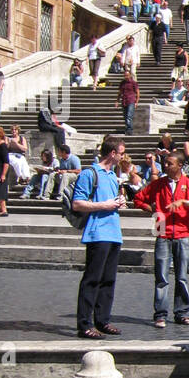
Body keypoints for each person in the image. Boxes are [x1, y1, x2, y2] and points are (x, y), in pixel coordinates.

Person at [133, 153, 189, 328]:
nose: (165, 166)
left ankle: (181, 312)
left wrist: (184, 202)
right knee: (161, 277)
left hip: (182, 234)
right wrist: (148, 208)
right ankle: (160, 314)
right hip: (162, 232)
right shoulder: (158, 184)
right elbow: (138, 198)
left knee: (181, 277)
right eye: (165, 163)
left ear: (180, 165)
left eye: (169, 163)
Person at [72, 134, 127, 339]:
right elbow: (77, 203)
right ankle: (85, 323)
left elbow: (110, 203)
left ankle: (102, 319)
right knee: (92, 279)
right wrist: (104, 205)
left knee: (108, 280)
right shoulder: (90, 173)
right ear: (112, 153)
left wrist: (118, 202)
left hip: (114, 232)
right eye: (121, 153)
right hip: (97, 233)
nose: (123, 157)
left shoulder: (113, 176)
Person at [115, 68, 140, 135]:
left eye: (127, 75)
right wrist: (117, 101)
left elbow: (137, 93)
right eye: (125, 75)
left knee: (129, 116)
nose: (126, 77)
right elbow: (120, 93)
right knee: (125, 116)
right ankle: (127, 128)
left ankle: (129, 129)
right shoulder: (122, 83)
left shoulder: (133, 83)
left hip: (131, 100)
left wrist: (136, 102)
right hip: (124, 101)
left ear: (130, 75)